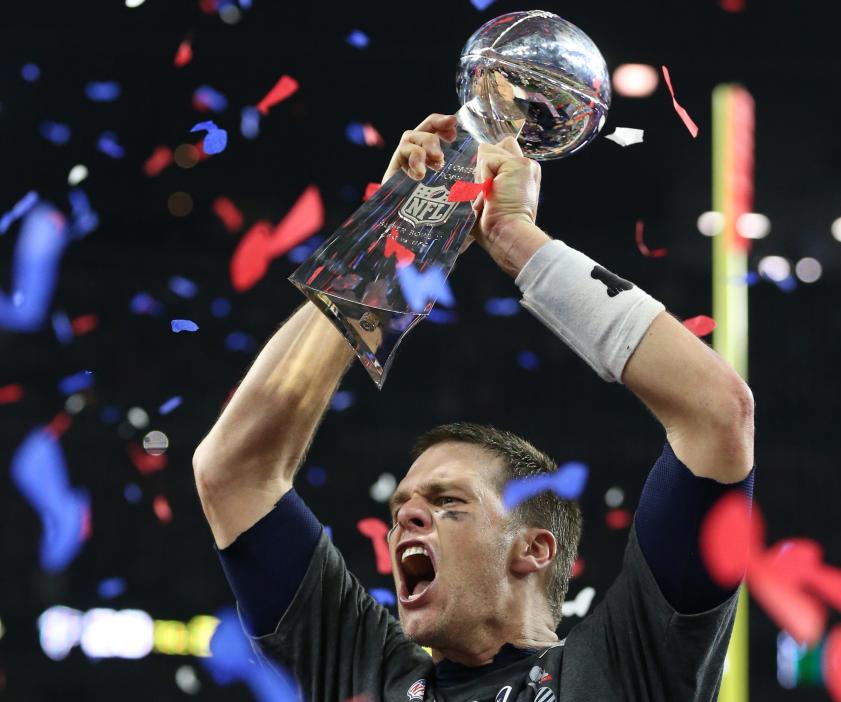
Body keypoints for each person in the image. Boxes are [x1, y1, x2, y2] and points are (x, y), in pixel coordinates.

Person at [193, 113, 756, 702]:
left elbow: (716, 410)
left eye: (448, 502)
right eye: (403, 506)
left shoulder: (621, 671)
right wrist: (390, 243)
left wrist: (515, 239)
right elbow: (233, 473)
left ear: (533, 549)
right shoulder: (367, 673)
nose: (404, 520)